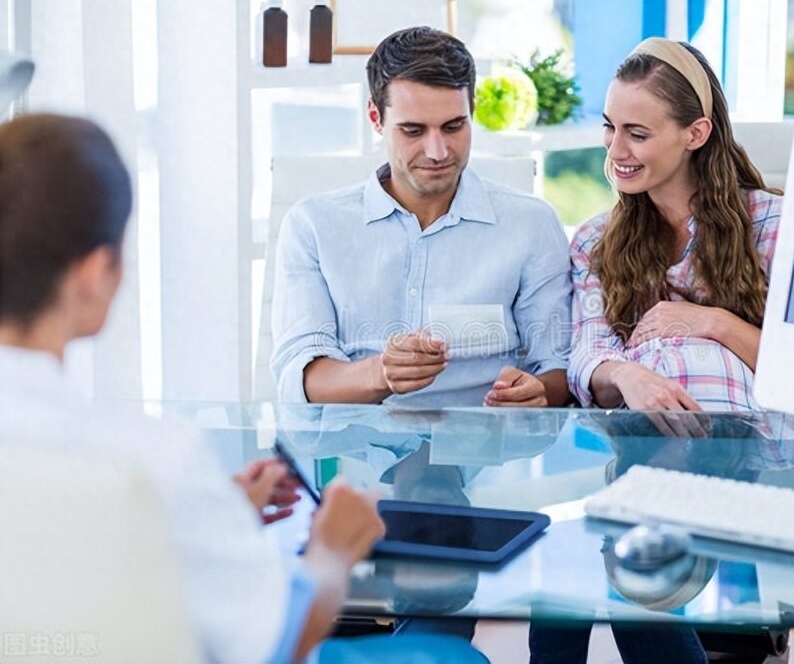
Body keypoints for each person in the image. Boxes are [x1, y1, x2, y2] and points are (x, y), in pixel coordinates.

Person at [0, 113, 486, 664]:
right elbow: (276, 642)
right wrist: (332, 549)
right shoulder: (153, 460)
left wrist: (207, 511)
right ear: (93, 276)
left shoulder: (147, 476)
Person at [271, 26, 571, 410]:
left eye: (454, 126)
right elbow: (300, 377)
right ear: (376, 118)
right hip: (356, 453)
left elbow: (559, 365)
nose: (437, 151)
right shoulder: (312, 226)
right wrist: (382, 374)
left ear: (471, 111)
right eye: (413, 130)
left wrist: (539, 392)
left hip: (489, 451)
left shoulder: (531, 224)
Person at [569, 38, 783, 415]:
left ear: (696, 134)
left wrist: (714, 322)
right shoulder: (594, 242)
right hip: (640, 448)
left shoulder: (774, 225)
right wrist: (623, 375)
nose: (616, 150)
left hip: (750, 449)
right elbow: (590, 356)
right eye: (609, 127)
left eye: (637, 134)